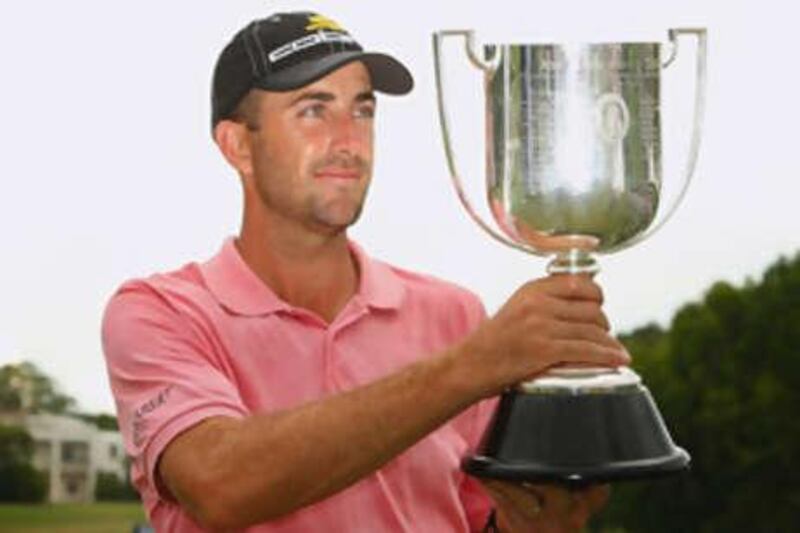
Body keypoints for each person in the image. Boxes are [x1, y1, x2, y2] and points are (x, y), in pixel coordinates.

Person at [102, 11, 629, 533]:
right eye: (313, 110)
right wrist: (473, 365)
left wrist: (537, 526)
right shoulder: (160, 312)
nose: (349, 141)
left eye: (363, 110)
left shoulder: (454, 315)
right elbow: (219, 484)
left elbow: (479, 521)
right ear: (238, 145)